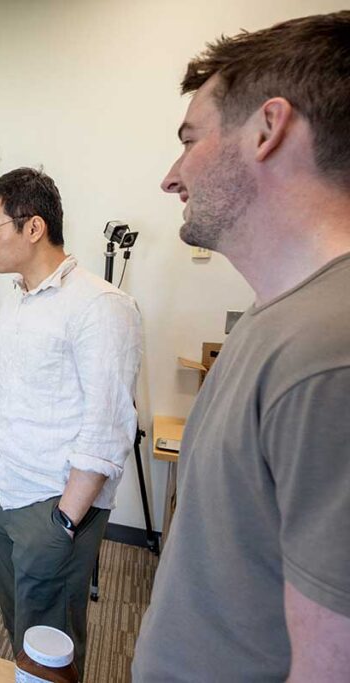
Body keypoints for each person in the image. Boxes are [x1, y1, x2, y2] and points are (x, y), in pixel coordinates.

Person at [132, 12, 350, 681]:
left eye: (191, 139)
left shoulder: (328, 355)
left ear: (267, 127)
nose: (172, 176)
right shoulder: (275, 317)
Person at [0, 168, 142, 678]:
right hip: (4, 486)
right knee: (19, 623)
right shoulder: (18, 298)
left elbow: (108, 426)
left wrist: (65, 520)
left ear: (33, 228)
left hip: (54, 502)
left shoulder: (101, 306)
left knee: (52, 637)